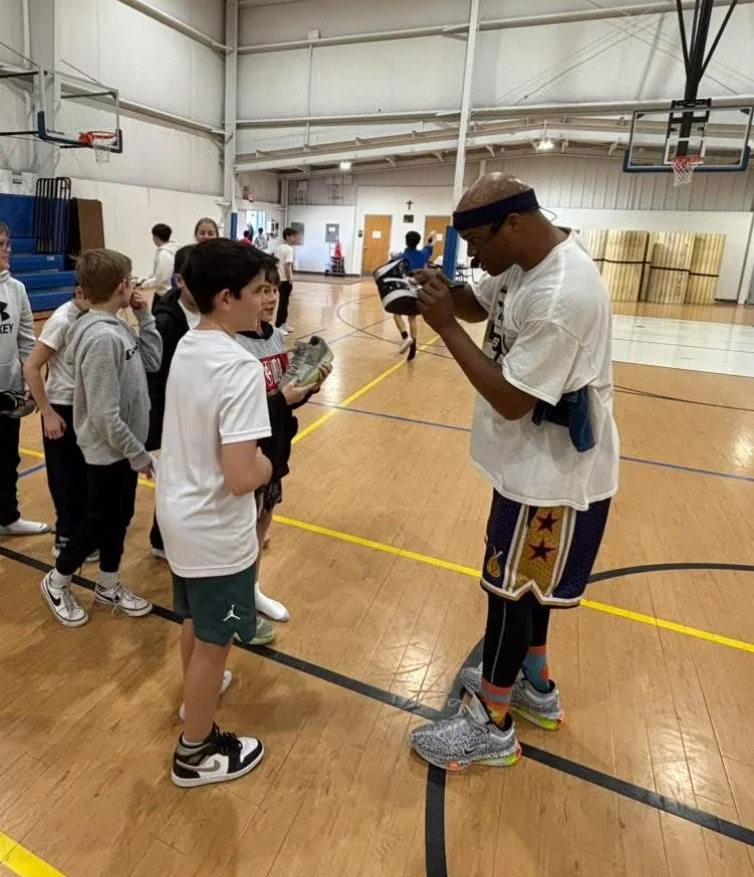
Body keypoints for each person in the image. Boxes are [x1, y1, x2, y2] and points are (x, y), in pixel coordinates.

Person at [409, 174, 619, 770]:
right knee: (528, 591)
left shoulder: (562, 295)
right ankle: (535, 685)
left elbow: (510, 398)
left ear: (515, 224)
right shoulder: (525, 257)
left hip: (552, 476)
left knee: (507, 594)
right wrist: (445, 292)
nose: (473, 255)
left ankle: (491, 724)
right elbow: (480, 300)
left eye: (477, 242)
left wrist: (445, 326)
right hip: (533, 466)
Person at [156, 239, 272, 788]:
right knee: (214, 640)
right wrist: (269, 466)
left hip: (180, 515)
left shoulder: (189, 342)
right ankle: (195, 752)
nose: (265, 303)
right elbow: (241, 474)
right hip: (215, 529)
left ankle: (194, 703)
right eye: (255, 293)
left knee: (195, 624)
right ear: (225, 298)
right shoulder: (239, 367)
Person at [39, 249, 161, 628]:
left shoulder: (118, 325)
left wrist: (144, 315)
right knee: (96, 521)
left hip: (122, 449)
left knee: (120, 517)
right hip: (109, 449)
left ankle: (107, 584)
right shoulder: (99, 338)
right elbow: (104, 414)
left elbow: (153, 361)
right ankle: (57, 581)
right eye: (131, 280)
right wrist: (138, 454)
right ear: (123, 286)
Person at [236, 260, 333, 623]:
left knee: (263, 521)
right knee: (242, 530)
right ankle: (234, 601)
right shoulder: (231, 344)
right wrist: (283, 400)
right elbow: (237, 411)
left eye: (274, 290)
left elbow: (282, 395)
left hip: (276, 444)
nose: (270, 298)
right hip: (245, 452)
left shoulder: (273, 336)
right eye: (262, 290)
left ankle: (252, 588)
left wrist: (310, 386)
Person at [24, 286, 97, 560]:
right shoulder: (61, 320)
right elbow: (31, 367)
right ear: (80, 292)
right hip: (62, 408)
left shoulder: (92, 316)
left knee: (84, 473)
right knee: (65, 475)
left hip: (84, 406)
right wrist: (47, 412)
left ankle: (81, 531)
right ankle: (65, 536)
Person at [0, 221, 51, 537]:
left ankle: (7, 517)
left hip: (8, 394)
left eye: (6, 243)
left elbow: (26, 342)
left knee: (6, 458)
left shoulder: (16, 289)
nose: (6, 250)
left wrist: (31, 388)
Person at [146, 244, 197, 560]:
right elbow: (152, 374)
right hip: (168, 414)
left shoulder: (205, 312)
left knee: (188, 477)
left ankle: (173, 535)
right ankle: (161, 541)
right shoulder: (165, 322)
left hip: (193, 410)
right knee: (172, 480)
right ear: (179, 281)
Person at [393, 230, 436, 361]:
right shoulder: (423, 254)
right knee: (412, 317)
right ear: (418, 242)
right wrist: (432, 235)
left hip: (405, 287)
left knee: (396, 314)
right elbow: (432, 242)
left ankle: (406, 337)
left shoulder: (400, 256)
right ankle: (414, 347)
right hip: (417, 289)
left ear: (406, 241)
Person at [138, 223, 178, 311]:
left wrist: (144, 285)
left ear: (155, 237)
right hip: (166, 292)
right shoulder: (170, 250)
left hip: (165, 294)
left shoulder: (164, 254)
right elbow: (157, 273)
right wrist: (144, 279)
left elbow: (160, 278)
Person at [273, 227, 297, 335]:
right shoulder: (289, 249)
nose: (294, 238)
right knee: (283, 303)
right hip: (284, 280)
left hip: (279, 278)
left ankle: (283, 324)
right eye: (292, 236)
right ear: (287, 236)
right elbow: (287, 266)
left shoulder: (278, 248)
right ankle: (278, 326)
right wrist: (289, 280)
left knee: (285, 302)